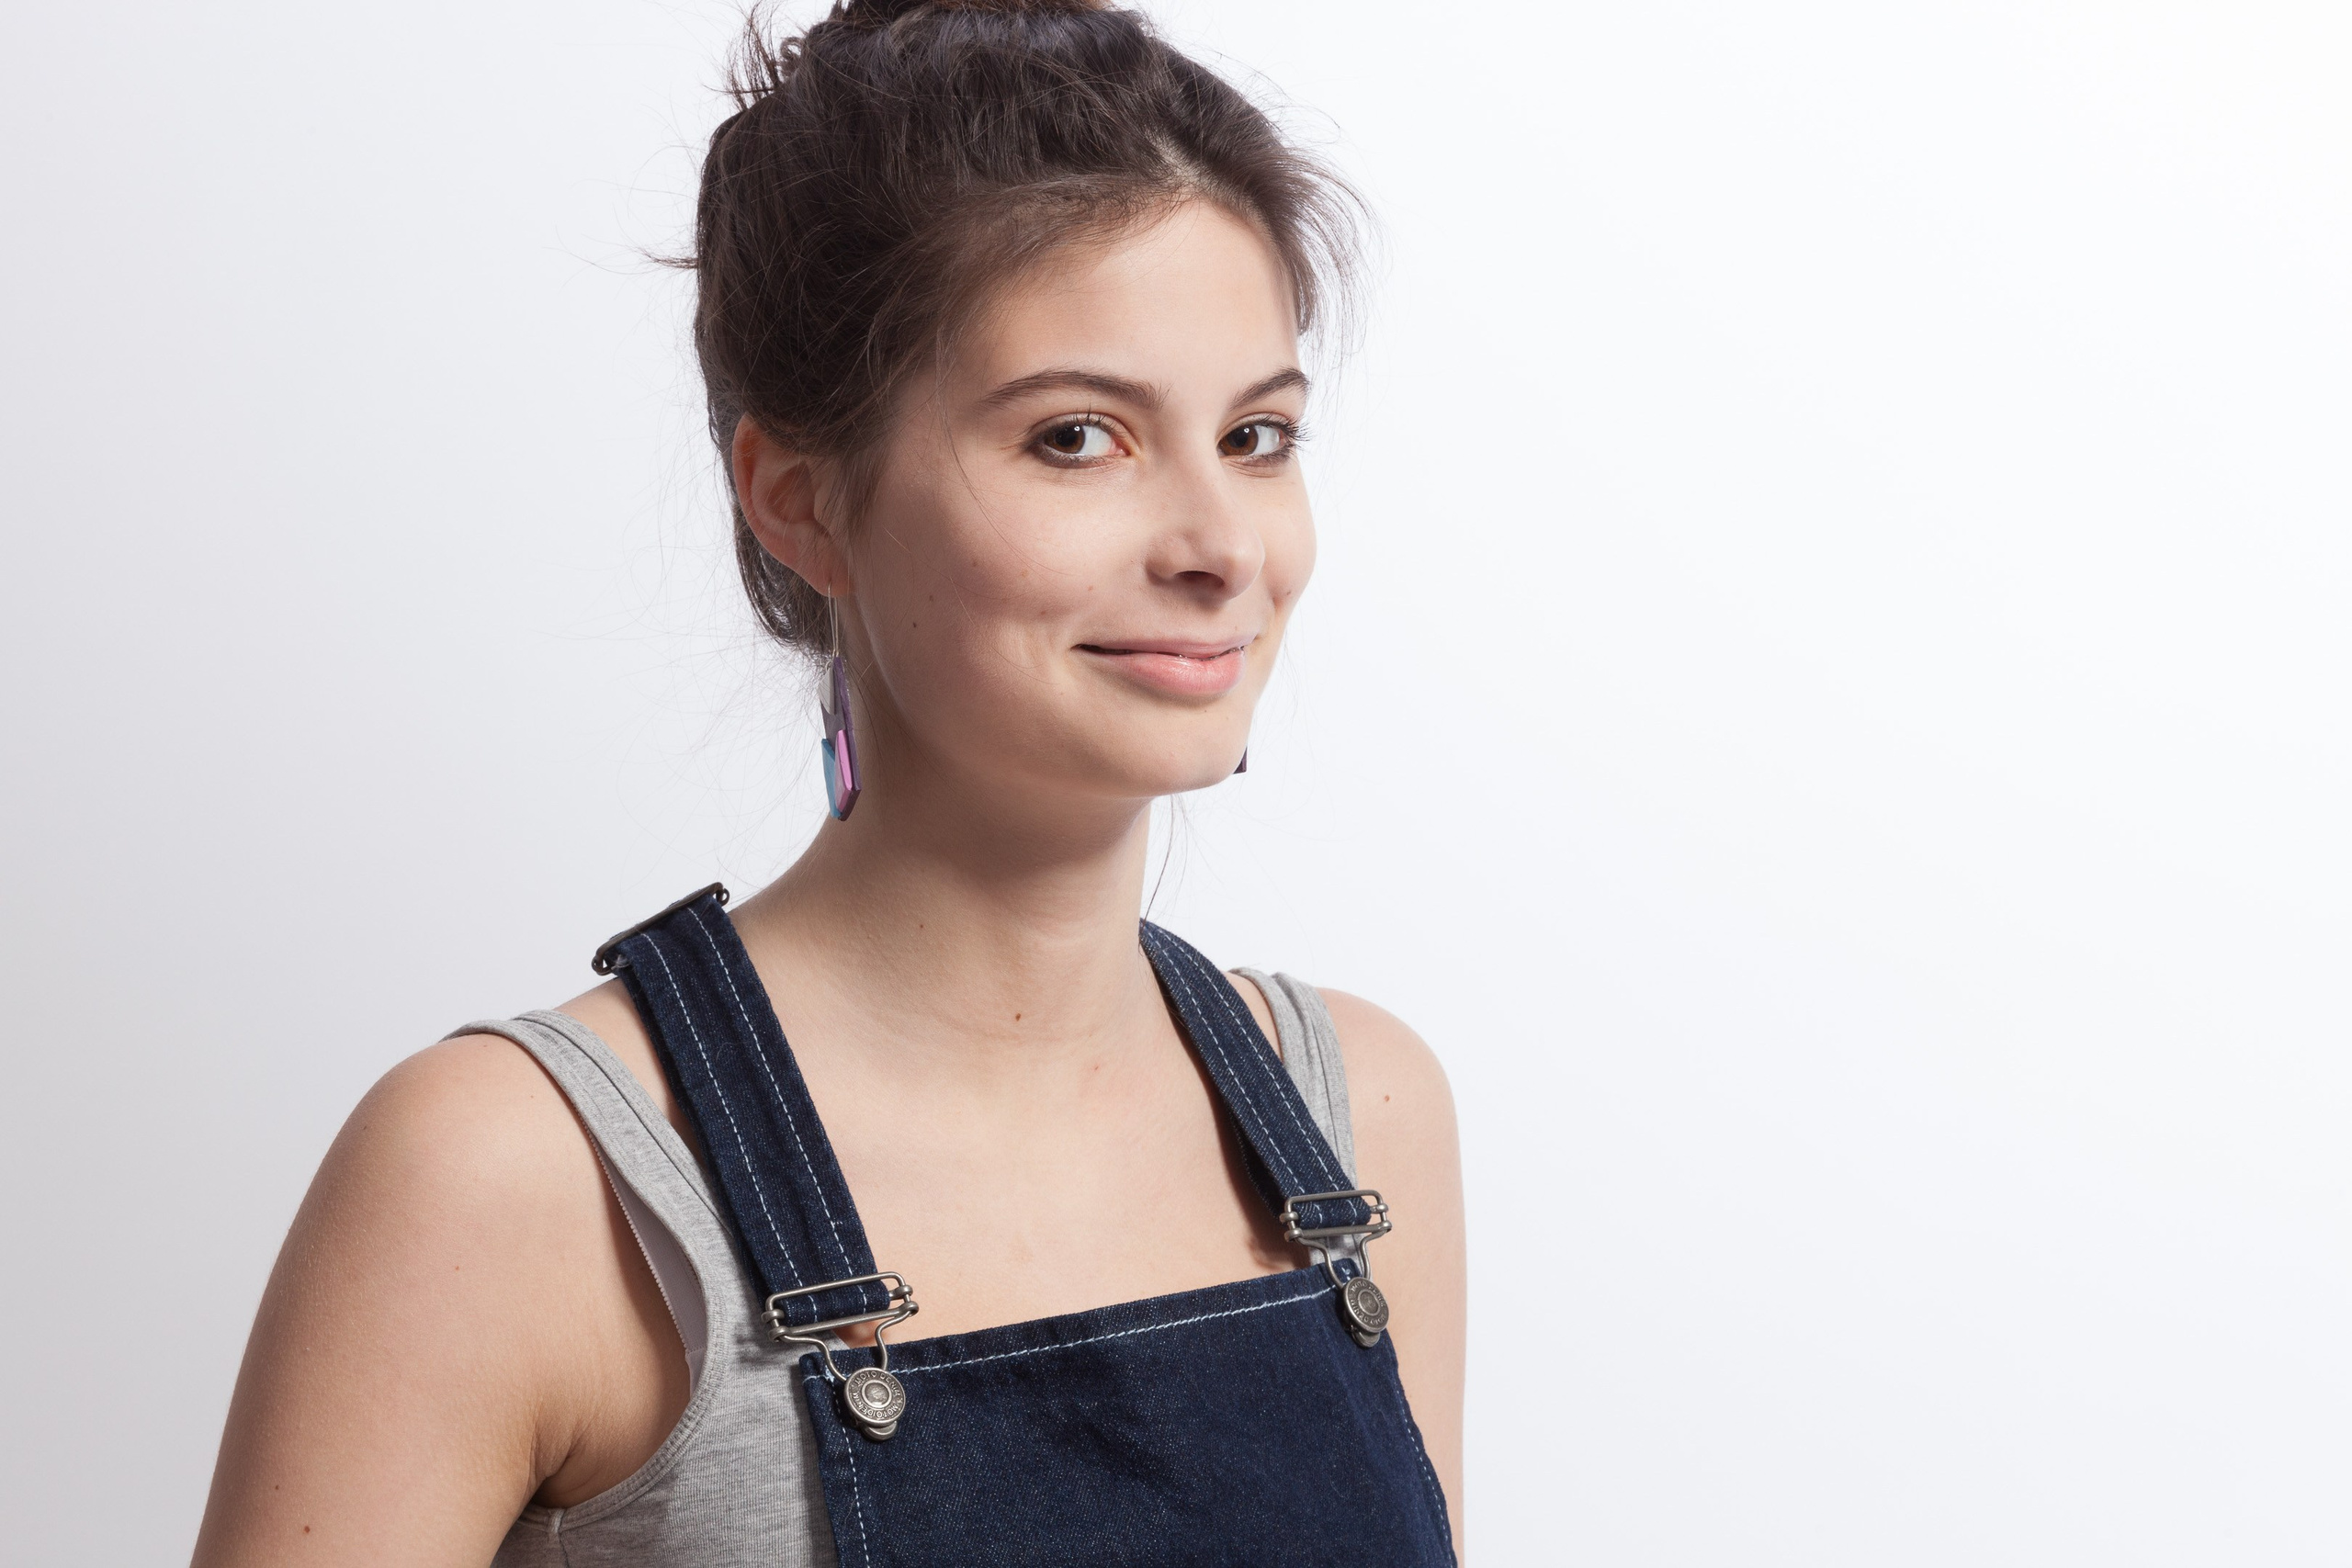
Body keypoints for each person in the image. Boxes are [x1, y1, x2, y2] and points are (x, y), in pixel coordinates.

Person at [191, 2, 1465, 1562]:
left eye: (1258, 434)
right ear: (798, 499)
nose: (1219, 546)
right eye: (1078, 437)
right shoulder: (516, 1180)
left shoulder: (1360, 1124)